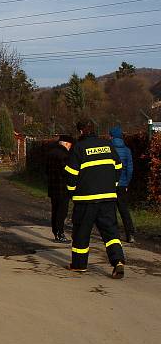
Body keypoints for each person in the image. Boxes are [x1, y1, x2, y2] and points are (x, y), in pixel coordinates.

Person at [66, 119, 126, 278]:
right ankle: (118, 261)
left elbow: (71, 175)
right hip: (108, 198)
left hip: (86, 199)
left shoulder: (78, 147)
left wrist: (72, 192)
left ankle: (79, 265)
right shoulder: (108, 145)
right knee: (110, 232)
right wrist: (111, 185)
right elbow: (119, 167)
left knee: (81, 232)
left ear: (80, 132)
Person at [109, 126, 136, 243]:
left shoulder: (109, 149)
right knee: (124, 209)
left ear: (111, 136)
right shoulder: (127, 150)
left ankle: (114, 235)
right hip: (122, 183)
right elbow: (130, 169)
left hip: (110, 183)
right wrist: (126, 182)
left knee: (111, 209)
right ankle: (130, 234)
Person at [46, 134, 74, 243]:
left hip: (52, 186)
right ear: (66, 143)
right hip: (63, 187)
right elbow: (66, 171)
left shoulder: (50, 153)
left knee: (55, 210)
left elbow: (46, 170)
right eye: (70, 145)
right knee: (62, 211)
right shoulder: (65, 155)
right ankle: (60, 232)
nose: (70, 147)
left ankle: (55, 231)